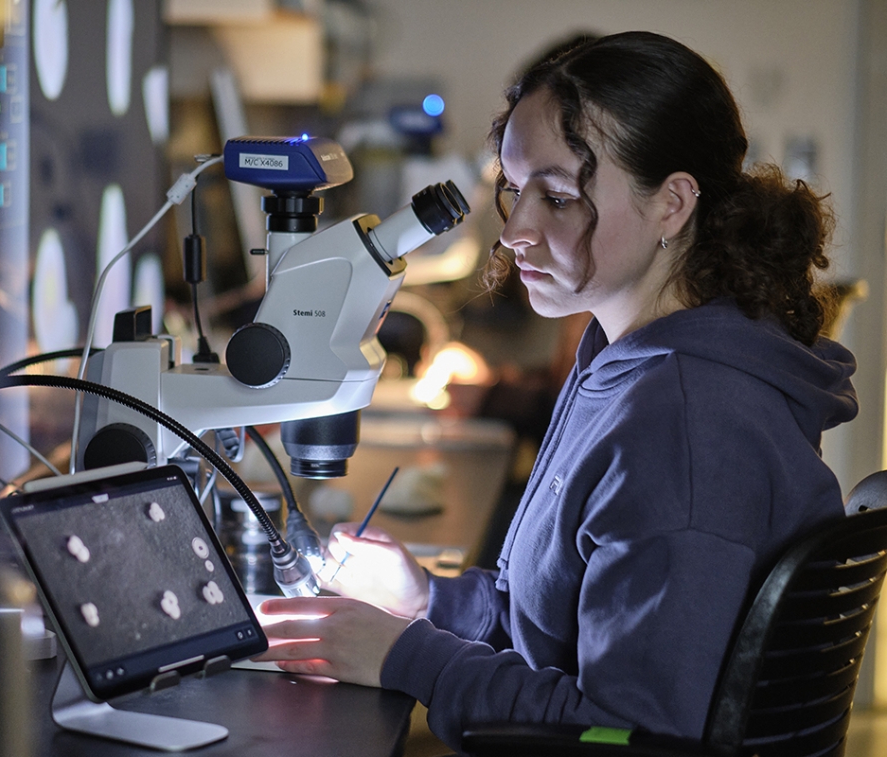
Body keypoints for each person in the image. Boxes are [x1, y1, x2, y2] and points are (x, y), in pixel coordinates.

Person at [253, 30, 858, 751]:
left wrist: (401, 655)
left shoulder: (686, 423)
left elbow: (625, 735)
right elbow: (561, 628)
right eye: (515, 190)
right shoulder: (624, 358)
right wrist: (426, 600)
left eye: (559, 197)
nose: (516, 232)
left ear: (672, 204)